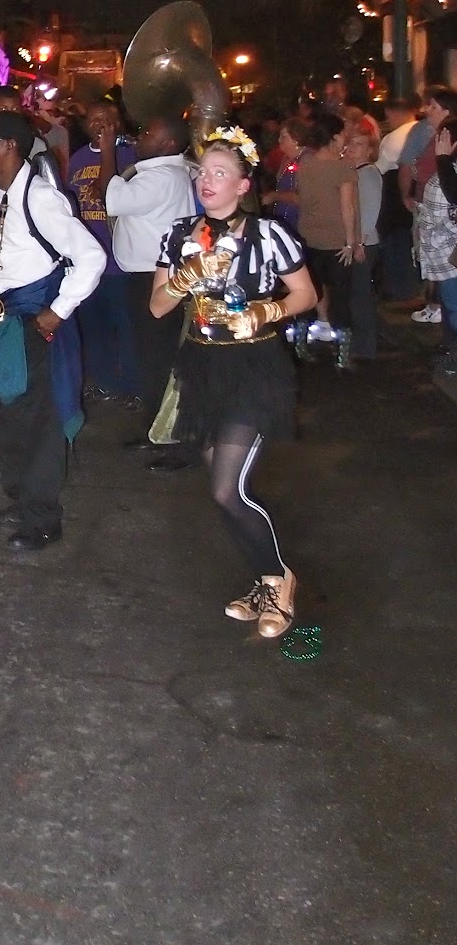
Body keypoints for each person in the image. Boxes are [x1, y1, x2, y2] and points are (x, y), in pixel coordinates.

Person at [150, 127, 316, 638]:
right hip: (203, 369)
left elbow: (306, 294)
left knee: (227, 489)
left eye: (220, 173)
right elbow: (157, 307)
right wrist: (186, 275)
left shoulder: (268, 235)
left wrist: (267, 311)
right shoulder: (180, 233)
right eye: (203, 172)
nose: (207, 180)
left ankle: (279, 581)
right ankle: (265, 580)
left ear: (243, 185)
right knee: (222, 491)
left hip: (254, 368)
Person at [0, 111, 106, 552]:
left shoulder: (41, 198)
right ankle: (19, 498)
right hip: (2, 317)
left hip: (33, 321)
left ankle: (44, 518)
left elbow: (91, 257)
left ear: (9, 146)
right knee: (8, 415)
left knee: (40, 422)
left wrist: (58, 311)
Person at [98, 116, 197, 463]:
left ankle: (174, 440)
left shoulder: (160, 177)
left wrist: (107, 152)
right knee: (152, 358)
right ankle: (156, 429)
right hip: (149, 276)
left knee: (159, 360)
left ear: (169, 144)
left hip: (153, 279)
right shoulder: (165, 173)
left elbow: (110, 198)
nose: (140, 136)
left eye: (150, 132)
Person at [66, 99, 139, 402]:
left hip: (121, 262)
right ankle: (105, 381)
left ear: (117, 122)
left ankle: (134, 388)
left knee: (127, 329)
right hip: (88, 262)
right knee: (95, 328)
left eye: (105, 119)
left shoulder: (132, 155)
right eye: (93, 119)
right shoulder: (78, 158)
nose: (98, 125)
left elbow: (116, 198)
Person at [296, 113, 360, 368]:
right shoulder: (343, 168)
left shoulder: (306, 164)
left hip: (308, 236)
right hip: (335, 241)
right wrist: (351, 241)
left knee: (308, 292)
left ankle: (300, 344)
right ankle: (342, 355)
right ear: (334, 137)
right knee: (341, 297)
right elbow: (348, 207)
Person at [400, 87, 457, 325]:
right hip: (438, 225)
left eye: (433, 106)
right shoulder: (429, 134)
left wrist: (442, 159)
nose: (427, 111)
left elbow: (452, 192)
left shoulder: (446, 144)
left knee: (451, 296)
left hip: (445, 233)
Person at [376, 96, 425, 302]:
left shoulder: (394, 138)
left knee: (396, 240)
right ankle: (415, 288)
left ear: (395, 113)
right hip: (417, 189)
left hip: (395, 193)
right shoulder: (423, 130)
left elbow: (380, 168)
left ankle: (401, 290)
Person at [344, 129, 382, 362]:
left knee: (360, 295)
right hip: (359, 241)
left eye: (359, 144)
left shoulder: (367, 174)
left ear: (369, 150)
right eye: (351, 143)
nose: (352, 148)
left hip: (365, 243)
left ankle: (366, 347)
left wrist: (360, 242)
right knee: (356, 294)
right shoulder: (354, 173)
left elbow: (369, 210)